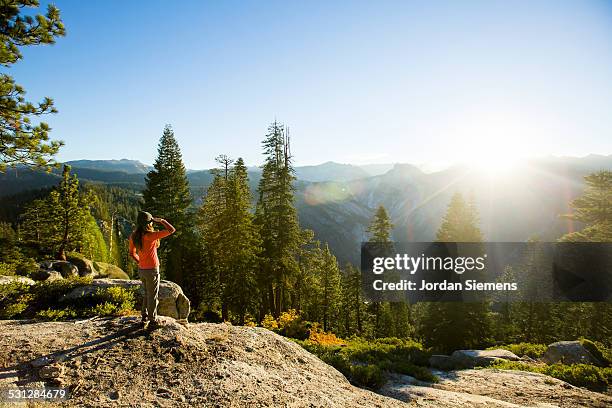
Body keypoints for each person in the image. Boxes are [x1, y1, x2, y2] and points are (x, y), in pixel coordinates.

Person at [129, 211, 175, 329]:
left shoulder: (134, 236)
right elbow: (171, 230)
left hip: (142, 270)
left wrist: (140, 262)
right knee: (152, 296)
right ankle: (153, 320)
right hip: (152, 270)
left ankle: (144, 317)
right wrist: (161, 221)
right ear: (149, 223)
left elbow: (132, 253)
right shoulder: (150, 236)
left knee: (146, 294)